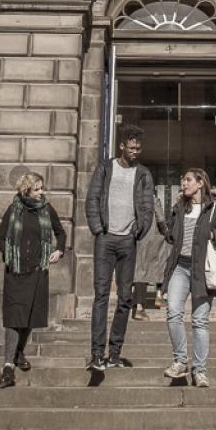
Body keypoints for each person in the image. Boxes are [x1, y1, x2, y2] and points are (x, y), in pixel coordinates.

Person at [81, 124, 155, 372]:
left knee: (125, 299)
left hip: (127, 241)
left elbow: (147, 208)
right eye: (131, 147)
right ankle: (96, 354)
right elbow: (92, 198)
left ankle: (114, 353)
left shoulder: (143, 174)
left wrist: (139, 229)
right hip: (105, 239)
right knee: (101, 296)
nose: (136, 151)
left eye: (139, 148)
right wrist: (97, 228)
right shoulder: (106, 168)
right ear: (121, 146)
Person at [157, 167, 216, 388]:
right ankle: (181, 360)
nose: (184, 184)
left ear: (201, 183)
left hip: (203, 271)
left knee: (200, 322)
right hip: (179, 268)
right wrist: (162, 224)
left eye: (188, 180)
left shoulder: (215, 211)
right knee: (173, 312)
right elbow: (172, 237)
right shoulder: (179, 208)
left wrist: (213, 234)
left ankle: (200, 371)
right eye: (183, 181)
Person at [0, 170, 65, 388]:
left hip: (37, 271)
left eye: (42, 188)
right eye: (37, 189)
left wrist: (59, 250)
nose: (41, 192)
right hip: (16, 272)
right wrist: (12, 253)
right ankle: (8, 367)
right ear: (26, 190)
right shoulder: (14, 210)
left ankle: (19, 352)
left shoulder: (46, 209)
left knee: (30, 317)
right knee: (15, 318)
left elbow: (60, 232)